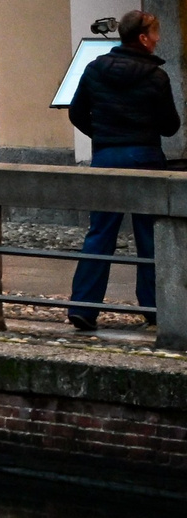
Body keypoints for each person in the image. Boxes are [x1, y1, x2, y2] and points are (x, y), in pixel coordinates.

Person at [67, 9, 179, 331]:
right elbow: (171, 126)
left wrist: (103, 136)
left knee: (100, 233)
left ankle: (83, 307)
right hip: (145, 157)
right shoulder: (156, 77)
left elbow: (76, 113)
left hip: (106, 158)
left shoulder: (94, 69)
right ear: (143, 38)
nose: (158, 40)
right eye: (155, 34)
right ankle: (155, 308)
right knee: (149, 236)